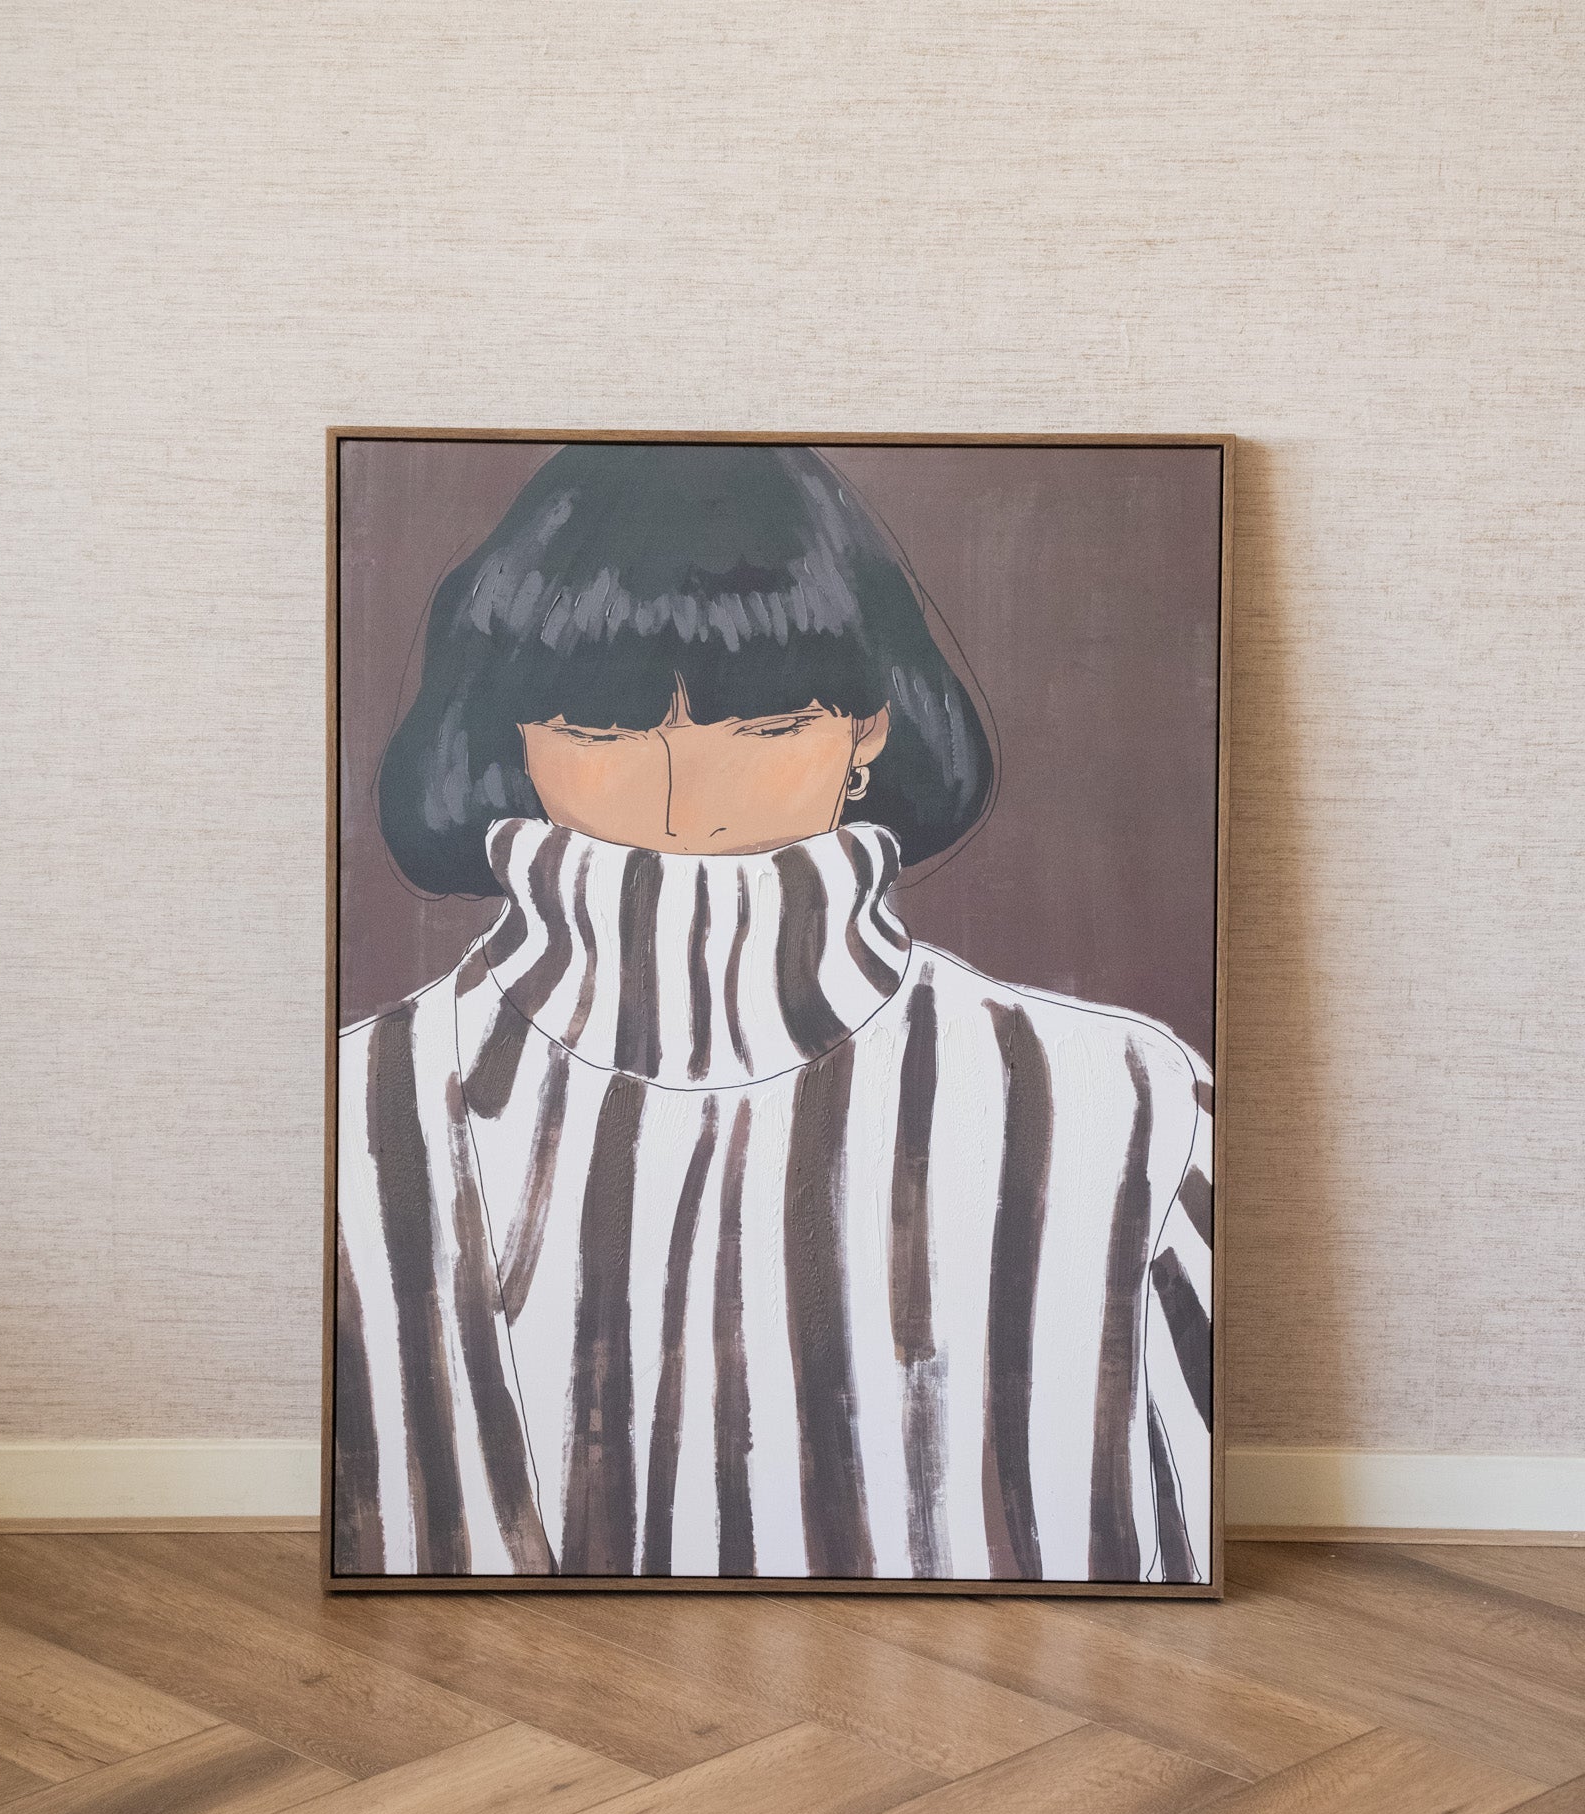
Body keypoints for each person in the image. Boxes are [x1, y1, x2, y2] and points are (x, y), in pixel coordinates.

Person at [334, 443, 1213, 1583]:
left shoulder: (1129, 1106)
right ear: (512, 737)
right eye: (602, 727)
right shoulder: (357, 1107)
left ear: (870, 728)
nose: (684, 795)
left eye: (765, 723)